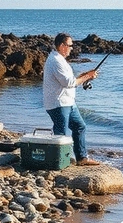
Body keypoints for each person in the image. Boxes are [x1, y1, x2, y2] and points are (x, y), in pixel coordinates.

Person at [43, 33, 100, 166]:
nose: (71, 48)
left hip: (68, 102)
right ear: (62, 46)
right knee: (61, 134)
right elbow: (69, 83)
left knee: (80, 126)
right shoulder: (56, 61)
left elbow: (70, 80)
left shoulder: (59, 59)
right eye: (70, 45)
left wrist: (85, 75)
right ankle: (58, 161)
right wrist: (87, 76)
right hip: (59, 103)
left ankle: (81, 158)